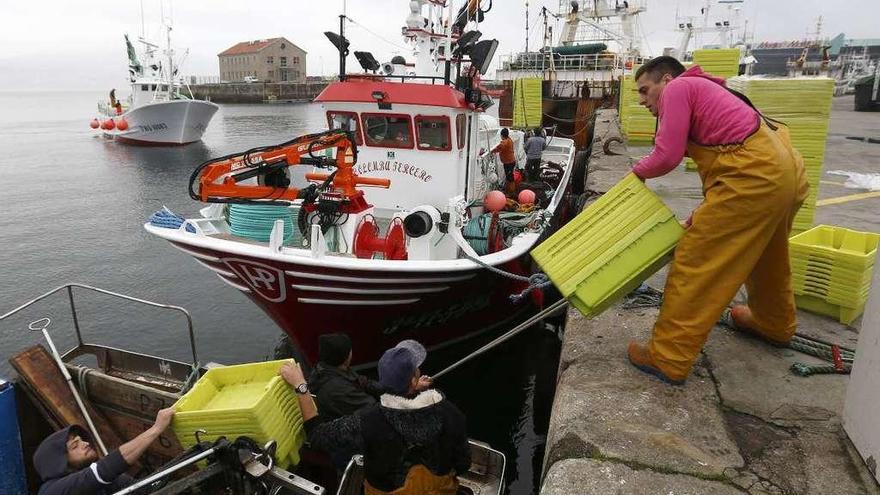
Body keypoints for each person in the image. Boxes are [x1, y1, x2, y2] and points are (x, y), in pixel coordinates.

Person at [625, 56, 809, 385]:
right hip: (784, 172)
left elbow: (666, 156)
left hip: (755, 178)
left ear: (665, 80)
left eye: (644, 90)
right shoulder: (709, 90)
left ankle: (668, 356)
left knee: (697, 260)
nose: (641, 100)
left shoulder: (679, 88)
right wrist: (702, 214)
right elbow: (726, 168)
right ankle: (774, 324)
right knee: (768, 256)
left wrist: (634, 175)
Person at [281, 340, 471, 495]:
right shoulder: (449, 412)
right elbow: (463, 464)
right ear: (414, 379)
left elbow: (316, 436)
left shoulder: (368, 421)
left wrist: (301, 385)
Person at [33, 407, 175, 495]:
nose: (86, 444)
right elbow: (104, 469)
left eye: (81, 440)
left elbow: (141, 489)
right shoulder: (54, 490)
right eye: (75, 445)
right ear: (60, 462)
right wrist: (156, 429)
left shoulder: (108, 481)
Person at [309, 333, 384, 421]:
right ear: (345, 355)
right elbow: (371, 408)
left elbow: (364, 382)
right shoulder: (337, 388)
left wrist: (390, 391)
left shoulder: (330, 368)